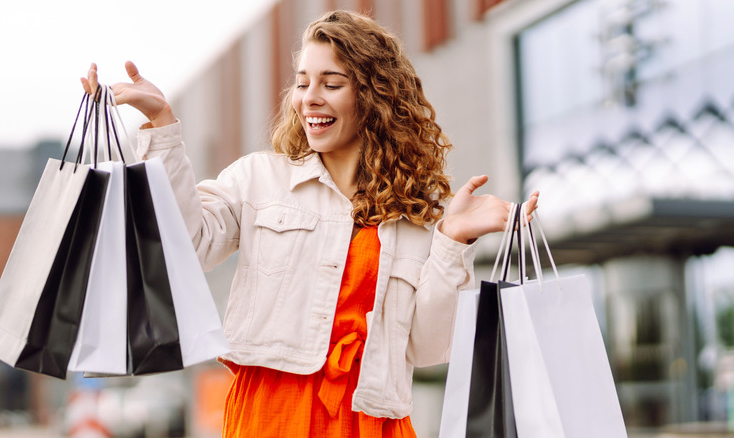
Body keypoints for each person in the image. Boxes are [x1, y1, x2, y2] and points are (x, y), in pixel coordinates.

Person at [83, 10, 538, 438]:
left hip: (372, 421)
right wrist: (161, 124)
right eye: (302, 83)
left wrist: (451, 241)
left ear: (374, 94)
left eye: (331, 82)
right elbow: (187, 245)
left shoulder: (413, 215)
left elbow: (427, 347)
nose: (309, 98)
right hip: (272, 417)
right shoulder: (260, 179)